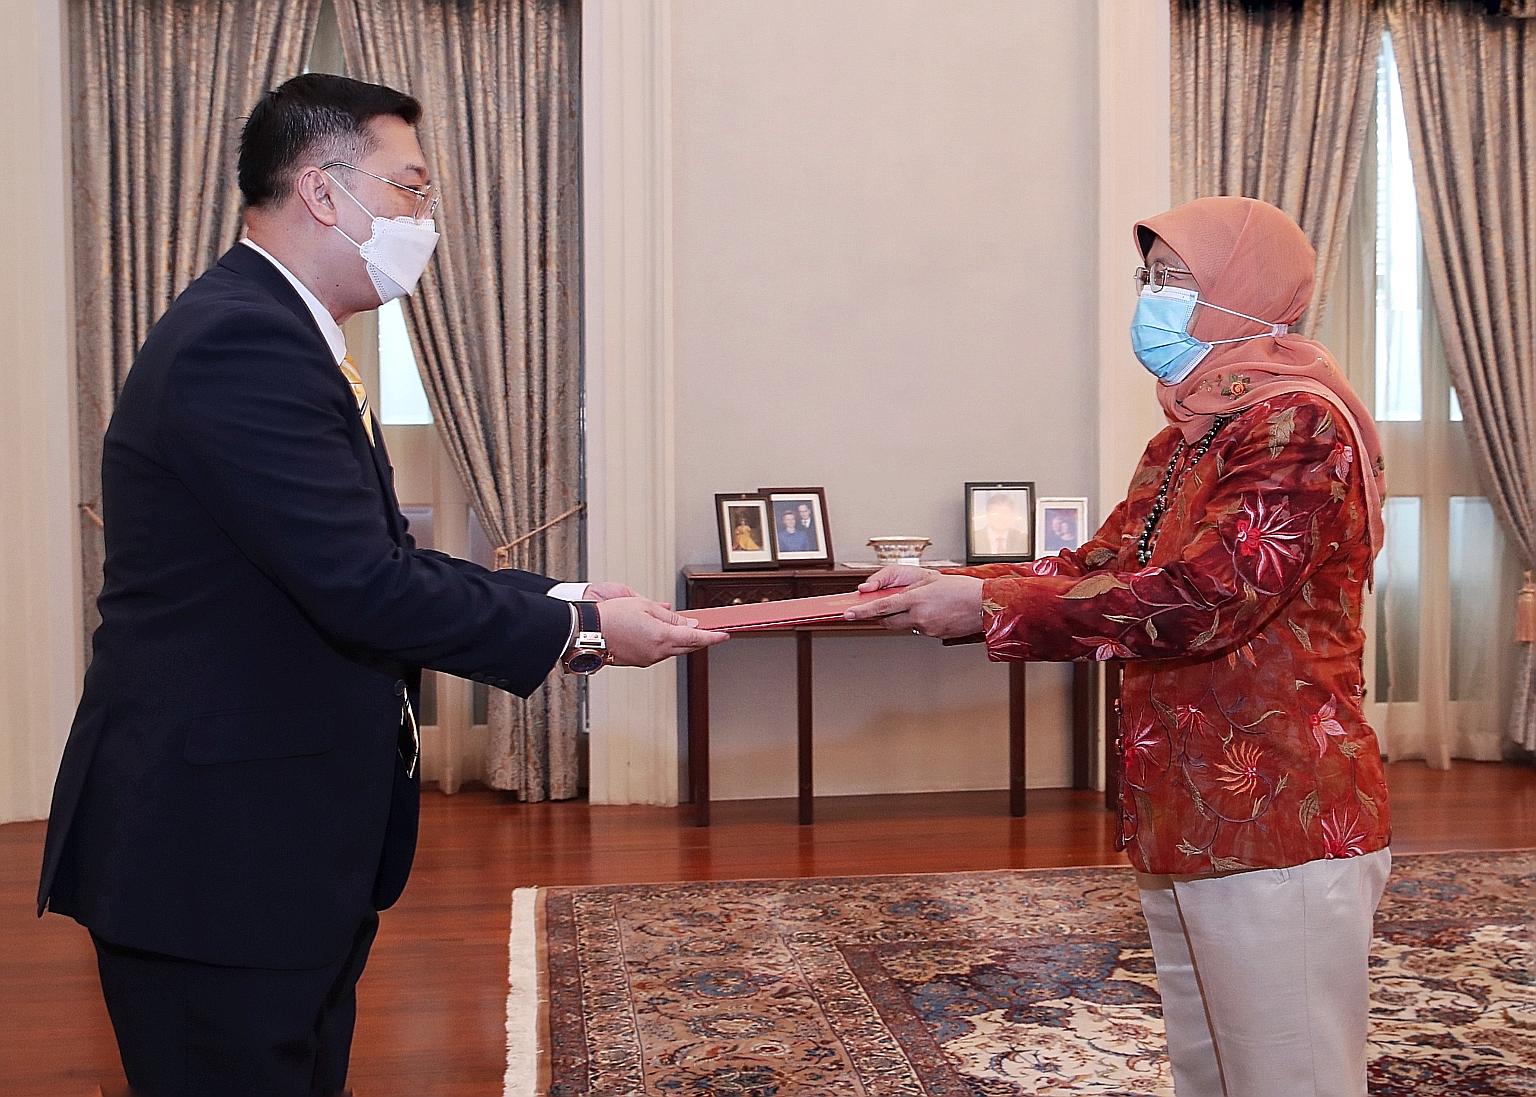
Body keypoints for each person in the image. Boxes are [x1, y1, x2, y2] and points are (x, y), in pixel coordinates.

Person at [36, 73, 727, 1097]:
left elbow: (372, 559)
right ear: (323, 192)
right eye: (410, 189)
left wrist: (567, 594)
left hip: (269, 842)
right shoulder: (245, 341)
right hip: (213, 853)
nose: (424, 217)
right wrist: (581, 629)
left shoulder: (282, 331)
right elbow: (362, 586)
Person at [848, 196, 1391, 1097]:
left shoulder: (1295, 424)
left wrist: (985, 612)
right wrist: (964, 582)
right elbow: (1102, 563)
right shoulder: (1192, 430)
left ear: (1243, 294)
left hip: (1280, 809)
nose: (1152, 298)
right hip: (1189, 804)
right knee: (1212, 1072)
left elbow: (1203, 600)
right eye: (1150, 278)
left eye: (1175, 280)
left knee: (1289, 1076)